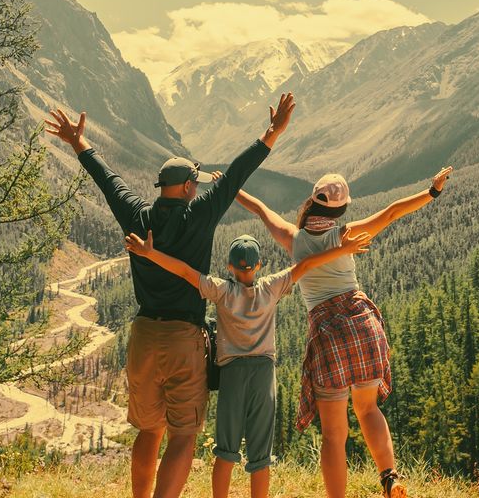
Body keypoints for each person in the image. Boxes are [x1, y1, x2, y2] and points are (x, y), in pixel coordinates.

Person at [43, 93, 295, 498]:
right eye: (195, 182)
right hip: (183, 339)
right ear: (191, 187)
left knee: (149, 429)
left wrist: (79, 144)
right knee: (182, 435)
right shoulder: (201, 213)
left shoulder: (137, 215)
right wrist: (272, 133)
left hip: (144, 336)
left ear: (163, 188)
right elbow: (235, 175)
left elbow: (108, 180)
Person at [234, 166, 453, 498]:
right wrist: (432, 191)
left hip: (328, 334)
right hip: (363, 324)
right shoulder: (346, 234)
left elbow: (260, 209)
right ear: (341, 208)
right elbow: (393, 212)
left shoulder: (294, 239)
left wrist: (230, 187)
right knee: (368, 409)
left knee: (334, 434)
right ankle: (389, 477)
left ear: (313, 201)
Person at [123, 230, 374, 498]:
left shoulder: (222, 291)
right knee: (260, 455)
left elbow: (185, 272)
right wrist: (342, 249)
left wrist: (149, 253)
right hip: (263, 374)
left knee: (226, 451)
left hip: (231, 374)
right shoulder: (271, 287)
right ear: (258, 266)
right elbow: (307, 264)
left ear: (230, 266)